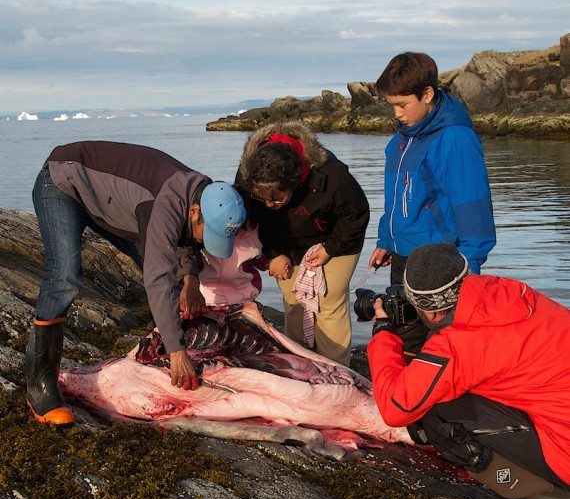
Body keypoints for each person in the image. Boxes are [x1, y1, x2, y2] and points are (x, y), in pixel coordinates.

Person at [27, 140, 246, 425]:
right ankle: (40, 385)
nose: (208, 242)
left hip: (109, 200)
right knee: (66, 275)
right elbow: (157, 276)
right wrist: (177, 350)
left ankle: (163, 350)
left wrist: (191, 281)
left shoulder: (205, 193)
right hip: (63, 183)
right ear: (194, 211)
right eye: (209, 233)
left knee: (175, 277)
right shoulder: (163, 203)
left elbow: (184, 239)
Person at [368, 243, 570, 499]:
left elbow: (397, 408)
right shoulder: (510, 292)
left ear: (431, 310)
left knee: (437, 417)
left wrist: (383, 333)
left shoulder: (457, 345)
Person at [235, 121, 370, 366]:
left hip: (336, 237)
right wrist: (273, 254)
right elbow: (253, 220)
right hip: (283, 241)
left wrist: (330, 249)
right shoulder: (247, 175)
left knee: (328, 301)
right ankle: (299, 363)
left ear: (296, 182)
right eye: (261, 197)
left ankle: (335, 368)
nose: (268, 204)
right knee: (293, 299)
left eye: (277, 199)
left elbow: (356, 214)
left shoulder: (331, 175)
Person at [368, 52, 496, 286]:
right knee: (397, 321)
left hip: (441, 262)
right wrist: (387, 241)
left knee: (438, 325)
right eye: (392, 105)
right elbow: (396, 200)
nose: (397, 114)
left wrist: (468, 267)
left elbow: (473, 207)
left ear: (427, 94)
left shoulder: (455, 138)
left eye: (402, 105)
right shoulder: (399, 141)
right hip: (402, 258)